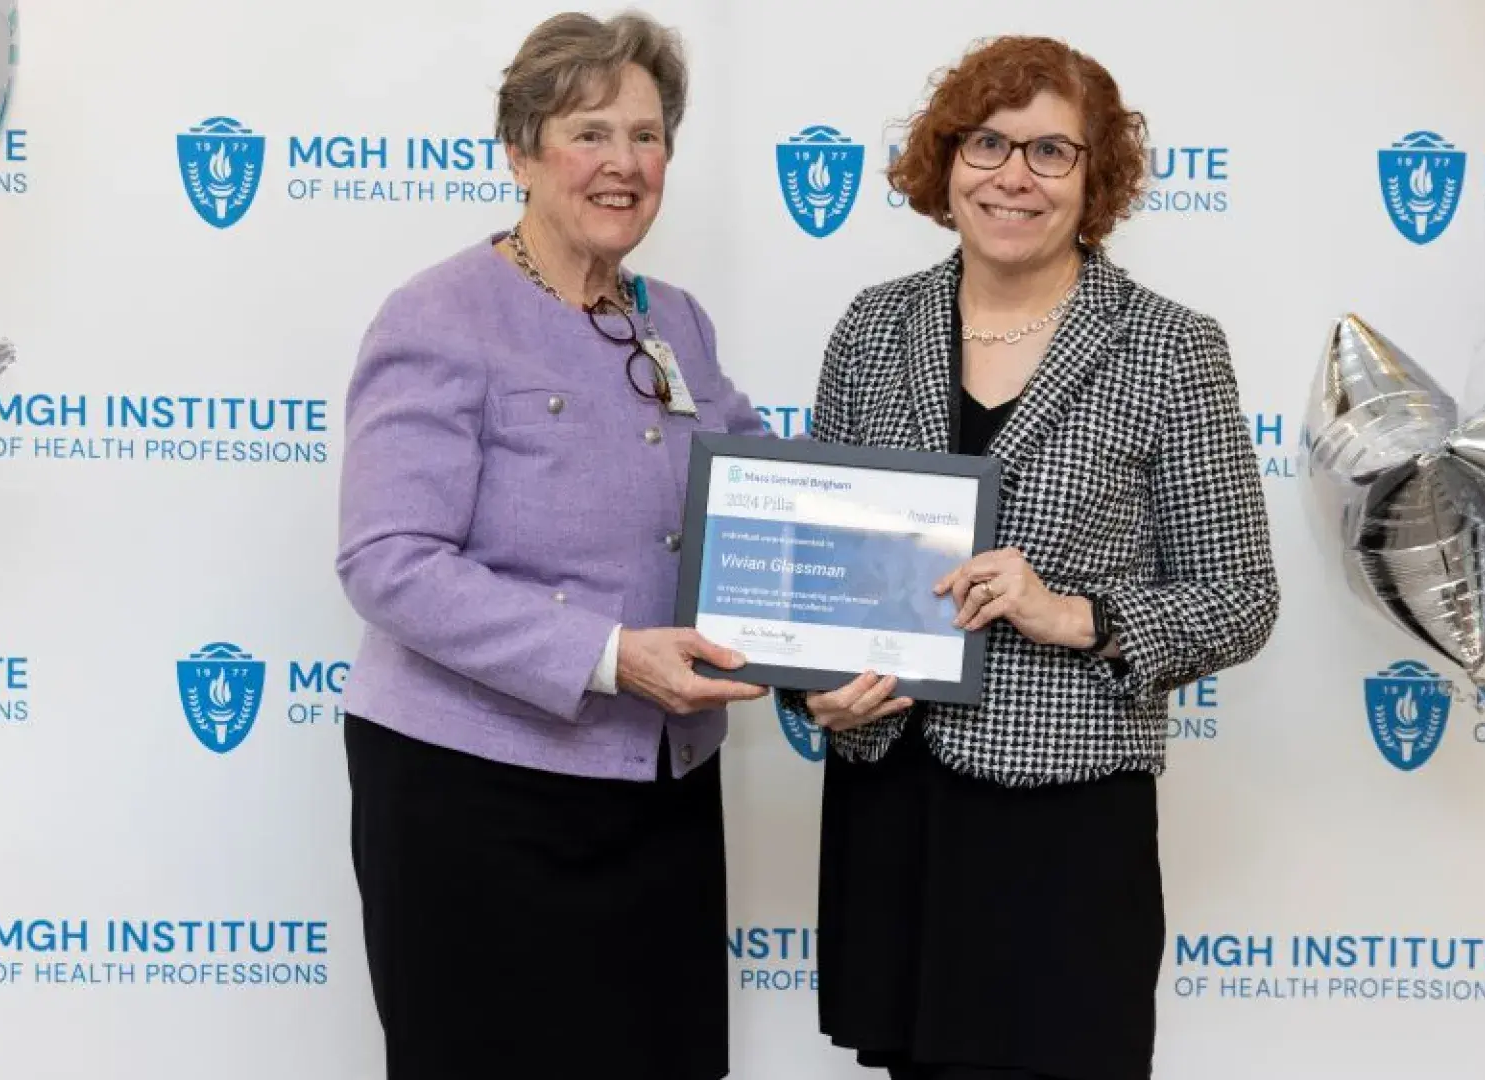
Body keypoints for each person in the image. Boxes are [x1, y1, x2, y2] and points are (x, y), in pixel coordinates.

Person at [777, 36, 1280, 1080]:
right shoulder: (872, 328)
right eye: (988, 143)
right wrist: (812, 694)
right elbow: (812, 566)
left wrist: (1076, 614)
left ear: (1095, 181)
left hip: (1062, 821)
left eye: (1052, 152)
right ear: (944, 161)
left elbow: (1242, 597)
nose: (1013, 175)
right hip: (894, 801)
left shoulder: (1168, 346)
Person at [333, 11, 770, 1080]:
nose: (624, 163)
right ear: (521, 150)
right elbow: (388, 559)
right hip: (476, 797)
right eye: (590, 132)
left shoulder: (679, 322)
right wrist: (612, 656)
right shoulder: (440, 315)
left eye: (648, 134)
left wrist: (869, 586)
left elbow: (760, 493)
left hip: (658, 791)